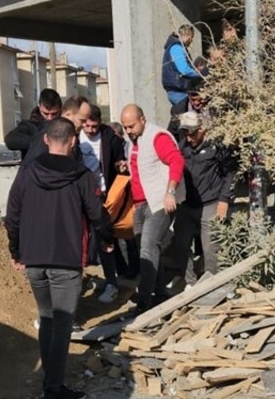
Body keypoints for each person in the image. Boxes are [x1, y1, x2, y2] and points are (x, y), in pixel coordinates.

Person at [6, 118, 113, 399]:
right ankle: (53, 390)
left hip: (34, 260)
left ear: (45, 140)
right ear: (73, 141)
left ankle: (49, 381)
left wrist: (16, 251)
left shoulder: (27, 173)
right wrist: (108, 239)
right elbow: (97, 214)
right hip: (66, 260)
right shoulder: (82, 176)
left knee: (47, 319)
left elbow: (12, 214)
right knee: (62, 323)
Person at [119, 103, 184, 314]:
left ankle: (144, 301)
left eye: (131, 126)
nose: (128, 131)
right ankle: (160, 294)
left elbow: (176, 160)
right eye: (125, 127)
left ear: (143, 120)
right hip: (140, 205)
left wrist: (170, 192)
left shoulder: (158, 137)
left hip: (159, 202)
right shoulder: (132, 142)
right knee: (145, 250)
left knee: (147, 246)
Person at [170, 111, 236, 286]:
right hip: (187, 203)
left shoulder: (217, 146)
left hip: (211, 203)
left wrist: (224, 199)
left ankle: (212, 285)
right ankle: (189, 283)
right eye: (185, 132)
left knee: (211, 249)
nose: (189, 137)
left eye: (192, 132)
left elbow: (230, 174)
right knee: (181, 244)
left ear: (202, 129)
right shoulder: (182, 146)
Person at [79, 106, 127, 303]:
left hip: (102, 195)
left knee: (105, 238)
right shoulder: (74, 137)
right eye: (86, 125)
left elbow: (118, 159)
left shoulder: (109, 138)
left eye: (94, 126)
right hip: (80, 194)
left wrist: (120, 165)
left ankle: (111, 283)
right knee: (79, 238)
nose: (90, 129)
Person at [22, 95, 91, 165]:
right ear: (68, 114)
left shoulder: (72, 136)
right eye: (82, 121)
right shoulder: (50, 134)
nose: (85, 125)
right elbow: (33, 168)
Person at [161, 24, 203, 117]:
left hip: (175, 90)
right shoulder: (177, 47)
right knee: (190, 117)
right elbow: (184, 69)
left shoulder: (173, 46)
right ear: (188, 36)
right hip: (178, 90)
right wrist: (199, 75)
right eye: (192, 38)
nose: (191, 41)